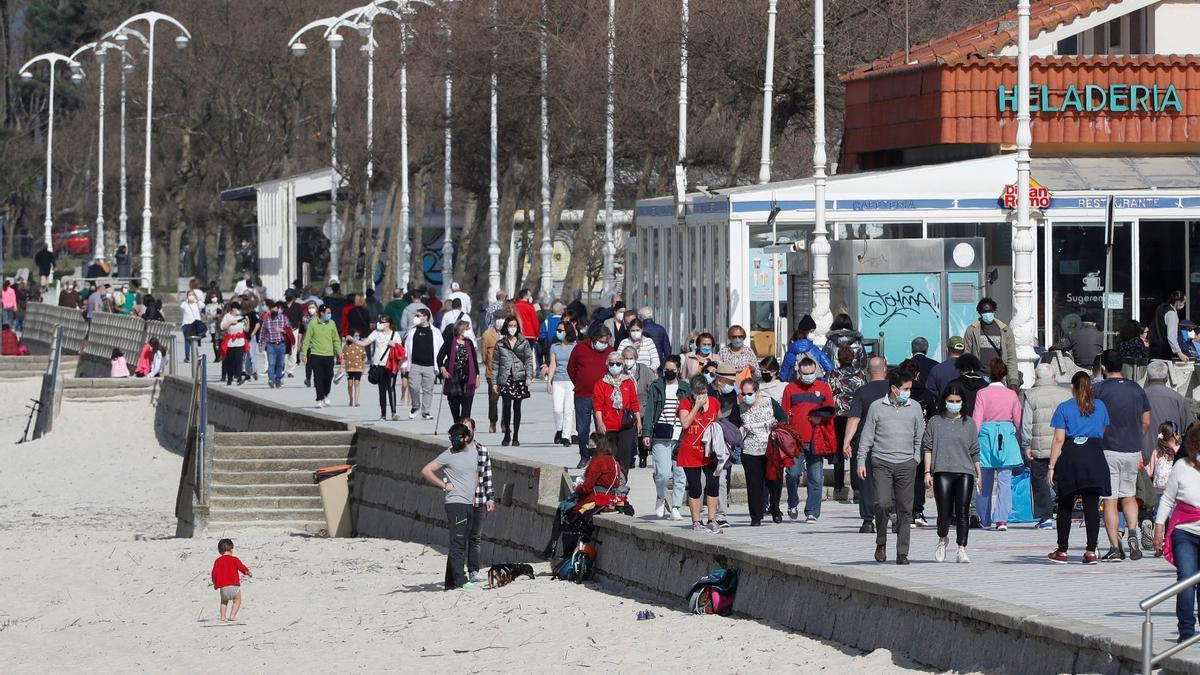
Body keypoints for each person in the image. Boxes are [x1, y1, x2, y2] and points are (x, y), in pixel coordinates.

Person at [858, 368, 925, 564]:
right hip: (882, 462)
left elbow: (919, 435)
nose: (908, 392)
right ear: (894, 389)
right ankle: (881, 542)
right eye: (905, 388)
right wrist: (861, 461)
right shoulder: (876, 407)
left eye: (910, 389)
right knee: (883, 503)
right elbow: (867, 436)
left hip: (906, 463)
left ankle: (902, 552)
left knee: (905, 508)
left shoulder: (914, 407)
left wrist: (915, 458)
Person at [1047, 371, 1112, 565]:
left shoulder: (1064, 408)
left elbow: (1059, 439)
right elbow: (1103, 430)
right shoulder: (1100, 406)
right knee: (1091, 506)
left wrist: (1051, 466)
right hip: (1094, 454)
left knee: (1066, 504)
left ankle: (1062, 550)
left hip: (1071, 454)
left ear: (1072, 388)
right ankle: (1091, 550)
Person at [1094, 348, 1152, 561]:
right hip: (1131, 449)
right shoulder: (1136, 388)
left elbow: (1093, 420)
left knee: (1110, 499)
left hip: (1108, 449)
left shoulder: (1099, 390)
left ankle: (1115, 547)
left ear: (1103, 367)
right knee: (1129, 495)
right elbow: (1146, 420)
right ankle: (1133, 532)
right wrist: (1137, 437)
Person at [420, 423, 482, 591]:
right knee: (458, 541)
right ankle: (460, 580)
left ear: (466, 437)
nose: (453, 441)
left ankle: (450, 583)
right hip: (455, 503)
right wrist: (443, 485)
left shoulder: (474, 451)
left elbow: (476, 472)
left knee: (461, 541)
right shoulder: (448, 454)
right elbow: (426, 470)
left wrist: (474, 491)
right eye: (451, 438)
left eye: (456, 438)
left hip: (469, 503)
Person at [923, 383, 980, 563]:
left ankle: (961, 548)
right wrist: (927, 471)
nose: (954, 404)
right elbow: (928, 447)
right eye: (950, 401)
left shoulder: (969, 423)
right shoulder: (935, 422)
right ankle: (942, 539)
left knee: (963, 511)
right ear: (944, 401)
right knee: (944, 512)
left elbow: (975, 450)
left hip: (965, 471)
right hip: (942, 470)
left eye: (957, 401)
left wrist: (978, 474)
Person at [1154, 425, 1200, 642]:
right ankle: (1187, 631)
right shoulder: (1181, 467)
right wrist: (1158, 527)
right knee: (1187, 579)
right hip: (1185, 533)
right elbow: (1167, 499)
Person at [782, 357, 836, 523]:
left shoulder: (823, 387)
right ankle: (792, 502)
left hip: (816, 439)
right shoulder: (791, 388)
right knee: (793, 474)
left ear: (816, 371)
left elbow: (831, 411)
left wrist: (821, 418)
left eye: (812, 372)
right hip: (795, 440)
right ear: (799, 372)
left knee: (816, 477)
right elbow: (784, 413)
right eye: (805, 373)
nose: (809, 376)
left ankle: (812, 511)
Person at [972, 359, 1023, 531]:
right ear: (1004, 375)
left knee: (984, 481)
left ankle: (985, 519)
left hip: (986, 436)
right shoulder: (1011, 394)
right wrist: (1017, 438)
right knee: (1004, 480)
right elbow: (1018, 420)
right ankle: (1002, 519)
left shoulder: (982, 393)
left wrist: (972, 440)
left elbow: (977, 419)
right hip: (1006, 436)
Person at [842, 356, 890, 532]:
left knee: (866, 480)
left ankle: (868, 521)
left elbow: (854, 418)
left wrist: (846, 441)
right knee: (891, 478)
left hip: (866, 441)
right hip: (890, 441)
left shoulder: (862, 391)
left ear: (868, 372)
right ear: (885, 369)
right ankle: (892, 515)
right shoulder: (894, 390)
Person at [1022, 363, 1073, 529]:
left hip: (1039, 446)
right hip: (1063, 446)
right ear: (1054, 377)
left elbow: (1027, 423)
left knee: (1040, 481)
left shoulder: (1030, 395)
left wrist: (1026, 444)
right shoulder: (1066, 394)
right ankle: (1065, 511)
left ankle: (1045, 517)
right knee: (1062, 480)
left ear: (1036, 378)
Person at [644, 356, 688, 521]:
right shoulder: (656, 386)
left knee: (680, 473)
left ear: (678, 370)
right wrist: (647, 433)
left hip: (680, 434)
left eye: (672, 370)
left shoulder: (685, 388)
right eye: (666, 370)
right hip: (661, 433)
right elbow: (650, 410)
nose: (669, 372)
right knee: (662, 473)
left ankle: (676, 506)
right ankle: (660, 497)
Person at [678, 375, 722, 534]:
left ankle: (712, 519)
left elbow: (720, 421)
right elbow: (685, 423)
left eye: (703, 391)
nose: (701, 395)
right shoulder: (685, 403)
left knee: (713, 484)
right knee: (696, 487)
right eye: (697, 392)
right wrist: (696, 406)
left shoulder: (715, 402)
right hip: (690, 451)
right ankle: (696, 521)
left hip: (710, 452)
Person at [741, 377, 788, 526]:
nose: (746, 397)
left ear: (757, 392)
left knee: (774, 481)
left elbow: (784, 418)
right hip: (750, 450)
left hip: (771, 448)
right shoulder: (741, 407)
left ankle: (775, 509)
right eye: (743, 394)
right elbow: (737, 427)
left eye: (749, 393)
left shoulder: (769, 402)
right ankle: (756, 516)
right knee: (753, 484)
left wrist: (776, 431)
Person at [568, 325, 614, 468]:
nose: (604, 345)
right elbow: (571, 368)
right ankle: (584, 455)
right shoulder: (580, 348)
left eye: (606, 342)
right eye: (602, 341)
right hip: (583, 395)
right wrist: (580, 383)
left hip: (603, 396)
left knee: (603, 428)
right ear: (594, 339)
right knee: (583, 429)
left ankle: (601, 456)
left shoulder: (610, 351)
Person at [459, 418, 495, 584]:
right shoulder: (455, 451)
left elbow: (487, 476)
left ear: (473, 430)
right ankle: (458, 571)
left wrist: (490, 497)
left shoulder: (482, 450)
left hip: (480, 499)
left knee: (475, 538)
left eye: (468, 429)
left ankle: (473, 571)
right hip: (461, 501)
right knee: (460, 537)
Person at [593, 350, 642, 472]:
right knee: (610, 455)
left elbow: (634, 403)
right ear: (607, 364)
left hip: (626, 425)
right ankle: (612, 478)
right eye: (612, 363)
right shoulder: (601, 383)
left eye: (618, 364)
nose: (615, 366)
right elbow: (597, 406)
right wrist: (600, 422)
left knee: (625, 454)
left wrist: (639, 421)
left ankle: (623, 479)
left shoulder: (628, 382)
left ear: (622, 365)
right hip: (608, 425)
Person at [828, 346, 865, 500]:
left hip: (839, 415)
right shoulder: (860, 373)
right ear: (853, 358)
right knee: (856, 449)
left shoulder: (834, 373)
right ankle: (857, 489)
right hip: (856, 415)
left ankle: (838, 484)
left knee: (838, 448)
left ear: (838, 358)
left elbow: (830, 391)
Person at [1143, 360, 1197, 465]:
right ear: (1167, 378)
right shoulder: (1178, 399)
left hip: (1144, 456)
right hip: (1170, 457)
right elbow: (1191, 429)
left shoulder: (1139, 396)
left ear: (1148, 378)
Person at [491, 316, 534, 446]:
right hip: (506, 378)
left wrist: (529, 376)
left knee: (517, 407)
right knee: (507, 405)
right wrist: (494, 382)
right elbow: (495, 363)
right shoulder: (500, 344)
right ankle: (507, 433)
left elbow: (528, 360)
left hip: (519, 378)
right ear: (506, 327)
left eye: (515, 326)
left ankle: (515, 435)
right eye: (510, 325)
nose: (512, 328)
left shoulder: (524, 342)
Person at [355, 314, 405, 421]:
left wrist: (394, 345)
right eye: (380, 321)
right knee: (381, 389)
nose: (381, 323)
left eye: (383, 321)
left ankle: (394, 412)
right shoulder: (376, 333)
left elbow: (401, 350)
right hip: (379, 365)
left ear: (388, 323)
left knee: (391, 387)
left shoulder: (395, 334)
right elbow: (364, 343)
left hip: (391, 365)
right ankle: (383, 415)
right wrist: (354, 340)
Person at [963, 298, 1019, 388]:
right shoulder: (972, 330)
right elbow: (966, 355)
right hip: (979, 377)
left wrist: (1013, 381)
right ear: (980, 313)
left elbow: (1011, 358)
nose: (987, 314)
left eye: (989, 311)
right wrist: (967, 377)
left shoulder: (1004, 330)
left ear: (994, 311)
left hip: (999, 378)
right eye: (984, 312)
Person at [300, 304, 342, 408]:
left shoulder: (332, 323)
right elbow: (307, 339)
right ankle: (319, 399)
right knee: (318, 378)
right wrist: (303, 354)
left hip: (329, 355)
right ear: (322, 313)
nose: (330, 314)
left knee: (328, 376)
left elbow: (336, 339)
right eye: (328, 312)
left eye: (330, 312)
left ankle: (326, 394)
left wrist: (339, 352)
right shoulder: (313, 324)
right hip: (316, 355)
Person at [404, 308, 443, 420]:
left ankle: (426, 411)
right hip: (415, 365)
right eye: (416, 315)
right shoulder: (412, 331)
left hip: (430, 365)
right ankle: (415, 406)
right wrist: (405, 365)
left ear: (426, 317)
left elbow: (441, 348)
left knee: (428, 390)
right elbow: (406, 348)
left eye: (419, 315)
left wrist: (442, 364)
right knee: (414, 387)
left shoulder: (435, 332)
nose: (416, 318)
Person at [438, 321, 479, 424]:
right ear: (461, 330)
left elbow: (474, 361)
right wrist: (443, 370)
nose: (469, 331)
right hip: (453, 378)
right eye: (467, 329)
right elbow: (439, 358)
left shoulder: (469, 343)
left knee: (466, 415)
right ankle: (457, 433)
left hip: (468, 379)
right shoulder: (450, 341)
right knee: (455, 413)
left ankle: (464, 433)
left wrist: (477, 377)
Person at [624, 345, 658, 468]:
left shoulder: (643, 369)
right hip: (627, 409)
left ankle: (643, 456)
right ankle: (631, 458)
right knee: (629, 436)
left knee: (641, 434)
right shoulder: (621, 370)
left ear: (636, 358)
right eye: (626, 358)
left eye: (631, 358)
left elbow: (653, 385)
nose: (628, 361)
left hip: (642, 406)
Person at [547, 322, 577, 446]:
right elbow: (552, 364)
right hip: (558, 380)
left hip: (570, 381)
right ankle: (559, 429)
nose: (558, 332)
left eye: (561, 330)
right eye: (558, 330)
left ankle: (566, 436)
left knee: (568, 409)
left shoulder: (575, 346)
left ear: (568, 331)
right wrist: (549, 381)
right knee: (557, 409)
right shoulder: (554, 346)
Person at [780, 315, 834, 381]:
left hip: (796, 386)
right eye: (811, 331)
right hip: (814, 385)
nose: (813, 334)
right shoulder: (815, 350)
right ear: (805, 332)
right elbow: (830, 369)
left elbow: (783, 375)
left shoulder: (791, 352)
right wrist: (822, 381)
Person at [211, 538, 252, 623]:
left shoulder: (218, 561)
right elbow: (241, 567)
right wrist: (247, 572)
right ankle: (232, 616)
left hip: (223, 588)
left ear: (219, 550)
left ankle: (223, 617)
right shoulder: (235, 559)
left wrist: (215, 584)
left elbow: (214, 573)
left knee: (223, 602)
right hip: (234, 586)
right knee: (237, 600)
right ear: (231, 549)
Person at [258, 301, 290, 389]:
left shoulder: (283, 318)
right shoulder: (267, 320)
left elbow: (289, 330)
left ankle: (278, 380)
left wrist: (282, 330)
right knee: (271, 363)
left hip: (281, 345)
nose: (274, 309)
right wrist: (261, 345)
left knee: (280, 364)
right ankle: (271, 380)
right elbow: (262, 333)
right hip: (271, 345)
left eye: (276, 308)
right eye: (273, 308)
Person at [1150, 291, 1188, 362]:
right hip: (1163, 350)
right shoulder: (1171, 313)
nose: (1183, 305)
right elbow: (1171, 336)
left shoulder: (1160, 308)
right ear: (1178, 302)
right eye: (1183, 302)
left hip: (1154, 348)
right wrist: (1179, 352)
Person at [219, 303, 249, 386]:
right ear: (232, 309)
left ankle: (239, 377)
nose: (238, 311)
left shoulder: (240, 317)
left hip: (240, 342)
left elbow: (246, 329)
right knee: (230, 361)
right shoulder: (227, 316)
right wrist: (231, 322)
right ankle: (229, 378)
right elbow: (222, 327)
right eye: (236, 309)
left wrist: (247, 321)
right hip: (230, 342)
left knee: (239, 361)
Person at [514, 288, 541, 369]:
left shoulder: (515, 307)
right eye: (530, 295)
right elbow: (535, 322)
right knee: (528, 354)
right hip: (530, 335)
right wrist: (537, 334)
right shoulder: (530, 307)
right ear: (526, 296)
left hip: (517, 334)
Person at [342, 331, 366, 407]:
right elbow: (344, 357)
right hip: (349, 367)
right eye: (355, 336)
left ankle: (356, 401)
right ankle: (351, 399)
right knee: (350, 383)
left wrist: (363, 368)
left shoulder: (361, 345)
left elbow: (364, 358)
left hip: (358, 367)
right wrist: (342, 367)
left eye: (358, 336)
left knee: (357, 383)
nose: (356, 337)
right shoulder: (346, 345)